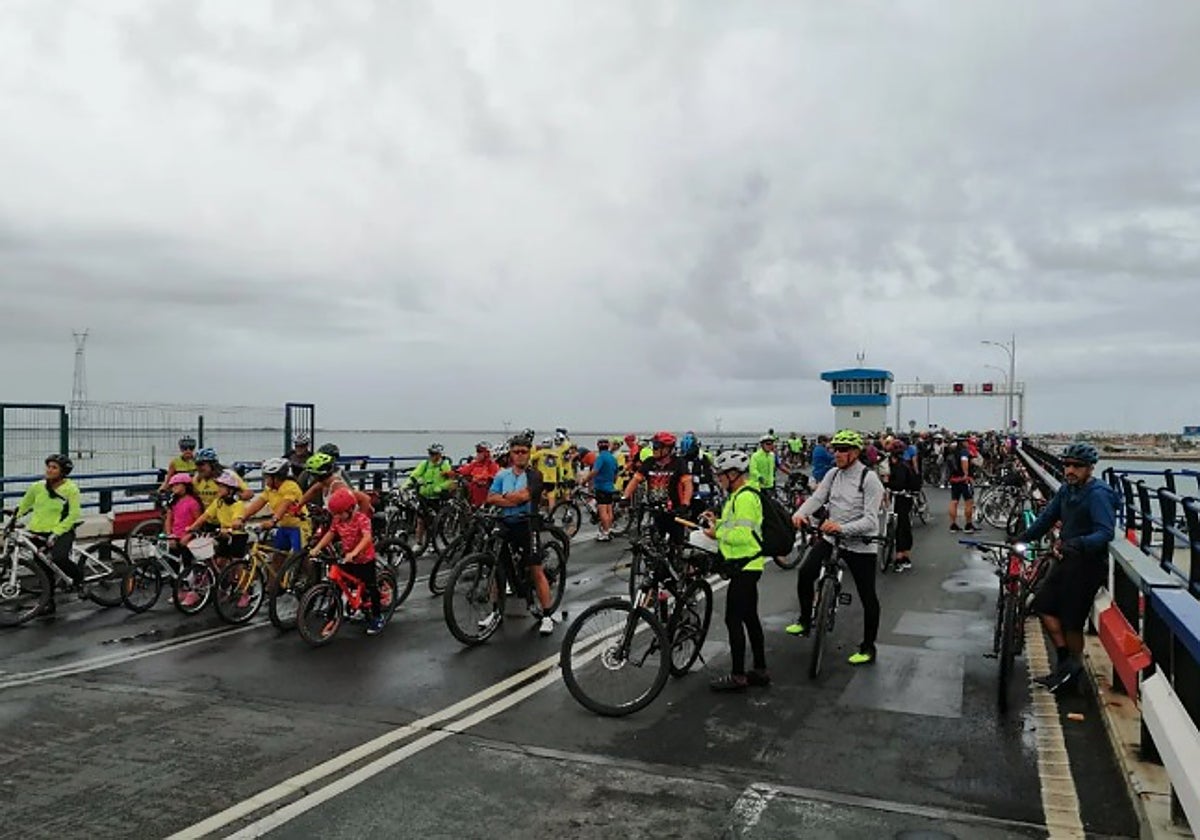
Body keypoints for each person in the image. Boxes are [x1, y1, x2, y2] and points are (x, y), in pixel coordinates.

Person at [1019, 442, 1118, 692]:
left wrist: (1076, 543)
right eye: (1067, 465)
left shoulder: (1099, 494)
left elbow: (1105, 533)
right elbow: (1047, 518)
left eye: (1077, 466)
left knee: (1072, 621)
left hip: (1087, 564)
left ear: (1090, 468)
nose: (1070, 470)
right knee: (1042, 606)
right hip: (1066, 559)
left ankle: (1073, 676)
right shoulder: (1066, 490)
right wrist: (1023, 538)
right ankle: (1066, 664)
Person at [787, 430, 885, 666]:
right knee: (805, 573)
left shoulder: (869, 479)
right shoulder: (833, 474)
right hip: (832, 537)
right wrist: (799, 514)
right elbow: (817, 499)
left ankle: (868, 647)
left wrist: (842, 528)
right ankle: (804, 619)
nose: (837, 454)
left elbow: (872, 522)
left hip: (860, 545)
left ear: (855, 453)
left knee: (868, 597)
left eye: (842, 450)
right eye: (835, 449)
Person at [703, 450, 769, 691]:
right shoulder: (737, 496)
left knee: (733, 619)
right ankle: (760, 670)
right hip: (748, 565)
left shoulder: (745, 498)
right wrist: (718, 522)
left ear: (733, 474)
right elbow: (736, 525)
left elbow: (743, 534)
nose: (718, 479)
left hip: (746, 565)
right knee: (750, 617)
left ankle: (738, 675)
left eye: (721, 475)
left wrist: (716, 533)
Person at [486, 432, 555, 635]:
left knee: (536, 568)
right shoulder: (502, 475)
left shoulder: (535, 475)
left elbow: (525, 496)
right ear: (511, 454)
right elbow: (491, 498)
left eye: (524, 452)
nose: (520, 455)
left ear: (529, 453)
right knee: (497, 567)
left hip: (528, 524)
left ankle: (547, 615)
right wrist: (511, 499)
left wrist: (506, 498)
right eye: (516, 452)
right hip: (506, 522)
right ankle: (495, 611)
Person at [308, 487, 385, 635]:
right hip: (348, 557)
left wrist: (355, 552)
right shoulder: (337, 519)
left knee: (371, 587)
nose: (337, 517)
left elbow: (367, 538)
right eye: (335, 514)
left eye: (340, 513)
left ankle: (377, 617)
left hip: (364, 559)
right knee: (337, 584)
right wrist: (317, 548)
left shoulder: (362, 519)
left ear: (350, 509)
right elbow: (330, 534)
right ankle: (332, 617)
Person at [17, 454, 83, 616]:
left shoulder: (70, 489)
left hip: (62, 531)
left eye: (54, 467)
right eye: (48, 466)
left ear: (63, 472)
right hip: (37, 531)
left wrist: (57, 532)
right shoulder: (37, 487)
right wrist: (14, 517)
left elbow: (74, 514)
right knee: (42, 567)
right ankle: (48, 602)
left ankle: (79, 580)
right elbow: (24, 506)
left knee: (59, 558)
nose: (49, 470)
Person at [622, 431, 693, 550]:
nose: (653, 449)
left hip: (674, 511)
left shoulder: (678, 463)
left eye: (656, 447)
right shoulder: (649, 462)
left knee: (677, 544)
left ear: (667, 449)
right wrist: (625, 497)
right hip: (655, 510)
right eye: (653, 446)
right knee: (655, 543)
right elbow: (635, 480)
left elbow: (688, 485)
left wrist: (685, 504)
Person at [236, 457, 307, 555]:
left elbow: (285, 505)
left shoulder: (290, 486)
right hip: (283, 526)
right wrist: (241, 518)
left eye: (267, 477)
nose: (265, 480)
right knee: (278, 556)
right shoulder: (270, 489)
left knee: (299, 557)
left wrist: (273, 521)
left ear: (276, 477)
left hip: (298, 527)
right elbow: (257, 504)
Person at [186, 469, 249, 568]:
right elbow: (205, 516)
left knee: (236, 564)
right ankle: (223, 582)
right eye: (219, 486)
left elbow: (237, 519)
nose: (218, 489)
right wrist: (193, 527)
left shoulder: (238, 504)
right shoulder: (218, 502)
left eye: (222, 487)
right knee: (220, 561)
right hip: (224, 534)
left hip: (237, 535)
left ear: (230, 490)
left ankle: (240, 582)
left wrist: (235, 524)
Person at [885, 441, 920, 572]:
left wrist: (887, 484)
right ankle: (905, 555)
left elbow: (898, 484)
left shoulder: (898, 467)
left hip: (900, 498)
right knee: (904, 526)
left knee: (900, 527)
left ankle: (900, 557)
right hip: (907, 498)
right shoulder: (906, 465)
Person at [586, 438, 619, 541]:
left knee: (602, 511)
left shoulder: (600, 458)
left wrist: (585, 479)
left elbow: (594, 471)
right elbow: (616, 473)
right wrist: (612, 481)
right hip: (610, 487)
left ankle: (605, 533)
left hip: (601, 487)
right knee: (609, 510)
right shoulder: (612, 458)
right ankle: (608, 530)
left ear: (598, 447)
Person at [456, 442, 500, 507]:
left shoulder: (492, 465)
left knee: (478, 487)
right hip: (472, 488)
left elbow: (494, 477)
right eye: (477, 451)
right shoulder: (475, 463)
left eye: (480, 451)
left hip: (485, 490)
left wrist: (482, 478)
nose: (478, 454)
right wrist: (455, 471)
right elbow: (465, 470)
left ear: (486, 453)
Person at [947, 435, 976, 532]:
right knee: (968, 501)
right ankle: (968, 525)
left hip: (954, 479)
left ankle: (952, 525)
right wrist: (966, 474)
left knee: (954, 501)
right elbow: (964, 462)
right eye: (966, 441)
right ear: (963, 442)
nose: (967, 443)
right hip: (963, 479)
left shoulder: (953, 451)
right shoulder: (964, 451)